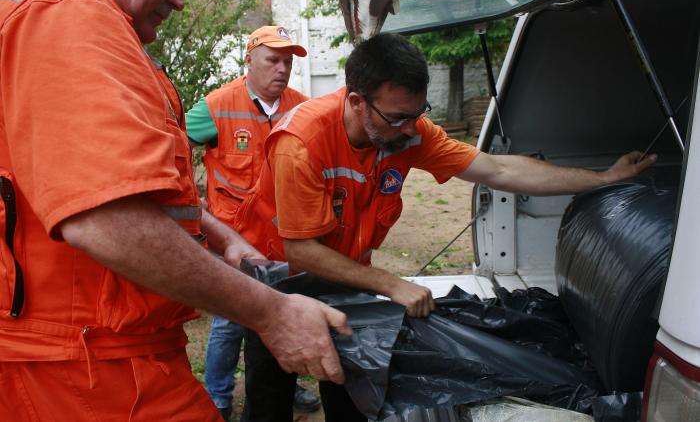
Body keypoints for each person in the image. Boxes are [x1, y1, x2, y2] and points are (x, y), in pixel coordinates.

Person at [232, 32, 658, 421]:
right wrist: (391, 283)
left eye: (418, 114)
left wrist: (603, 179)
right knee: (270, 399)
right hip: (280, 286)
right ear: (357, 101)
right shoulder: (301, 143)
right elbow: (300, 249)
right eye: (398, 117)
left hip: (345, 281)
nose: (410, 129)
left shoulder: (405, 132)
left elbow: (498, 170)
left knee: (353, 393)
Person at [0, 0, 350, 421]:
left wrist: (221, 235)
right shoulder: (71, 17)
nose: (181, 0)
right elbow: (107, 220)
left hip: (106, 349)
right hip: (85, 364)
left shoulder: (79, 20)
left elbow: (127, 187)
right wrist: (272, 313)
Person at [186, 25, 319, 419]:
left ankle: (285, 390)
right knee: (230, 325)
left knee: (285, 315)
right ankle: (218, 398)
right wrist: (195, 208)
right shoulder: (215, 106)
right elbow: (168, 153)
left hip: (285, 243)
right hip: (235, 246)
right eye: (273, 60)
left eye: (288, 62)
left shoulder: (304, 108)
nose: (282, 70)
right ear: (249, 60)